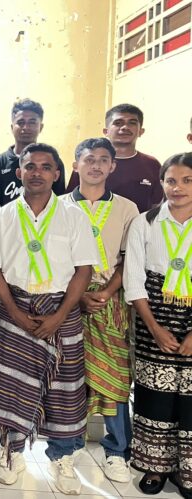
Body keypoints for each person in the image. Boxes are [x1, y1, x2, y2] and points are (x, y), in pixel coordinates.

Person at [0, 143, 98, 495]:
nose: (37, 172)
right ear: (19, 173)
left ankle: (63, 458)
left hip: (62, 313)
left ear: (57, 174)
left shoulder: (74, 216)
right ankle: (10, 454)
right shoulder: (3, 215)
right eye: (30, 166)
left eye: (46, 167)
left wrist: (60, 316)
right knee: (12, 386)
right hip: (17, 310)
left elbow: (84, 270)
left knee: (64, 390)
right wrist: (14, 311)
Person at [60, 138, 139, 483]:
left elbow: (129, 259)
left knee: (116, 375)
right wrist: (76, 296)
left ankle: (117, 449)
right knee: (70, 375)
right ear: (75, 164)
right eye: (88, 159)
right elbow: (53, 259)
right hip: (68, 300)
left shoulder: (127, 209)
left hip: (110, 302)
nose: (95, 166)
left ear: (112, 167)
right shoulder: (57, 206)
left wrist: (106, 291)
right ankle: (69, 444)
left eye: (102, 160)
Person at [123, 152, 192, 496]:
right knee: (154, 395)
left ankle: (187, 471)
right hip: (156, 317)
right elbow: (133, 280)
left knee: (190, 399)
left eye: (187, 180)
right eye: (171, 180)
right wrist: (154, 327)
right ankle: (154, 467)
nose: (177, 188)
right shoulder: (146, 222)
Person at [66, 104, 162, 213]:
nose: (125, 127)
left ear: (141, 131)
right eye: (118, 123)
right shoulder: (86, 165)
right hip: (87, 227)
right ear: (106, 131)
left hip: (138, 229)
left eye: (132, 123)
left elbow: (156, 205)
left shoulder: (152, 165)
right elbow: (70, 202)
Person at [0, 98, 66, 206]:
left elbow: (59, 202)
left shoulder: (55, 162)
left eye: (32, 122)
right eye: (21, 122)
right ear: (12, 127)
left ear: (41, 127)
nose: (26, 127)